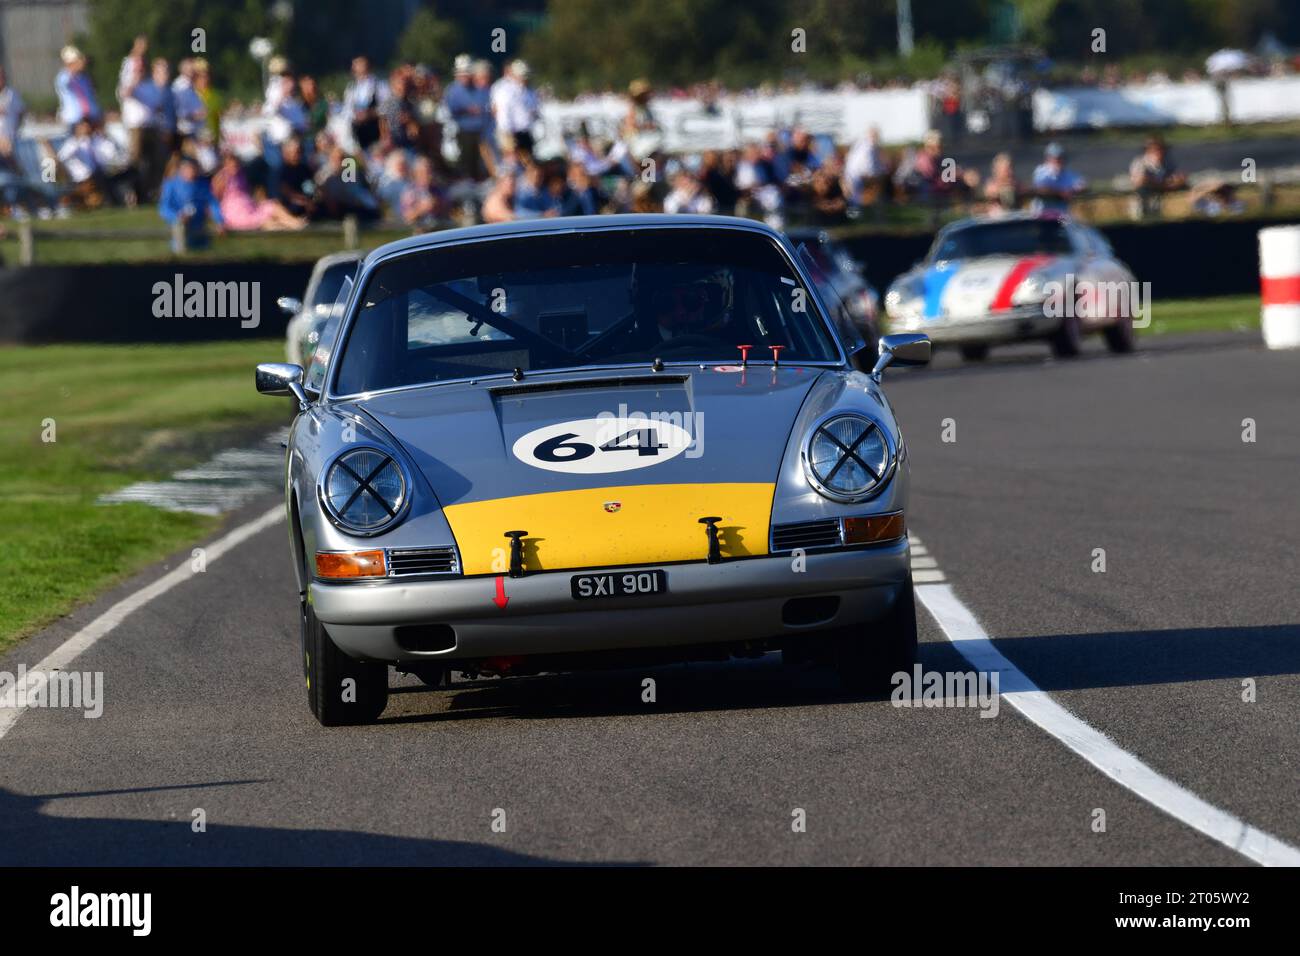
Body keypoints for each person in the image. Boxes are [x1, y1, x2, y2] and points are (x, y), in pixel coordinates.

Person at [212, 151, 306, 231]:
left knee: (272, 205)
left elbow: (246, 192)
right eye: (231, 164)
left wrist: (255, 201)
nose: (235, 166)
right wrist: (220, 221)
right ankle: (293, 226)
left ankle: (294, 222)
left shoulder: (241, 175)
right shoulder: (221, 177)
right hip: (236, 213)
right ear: (225, 164)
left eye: (236, 164)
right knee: (266, 221)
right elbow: (215, 199)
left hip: (250, 207)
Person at [159, 155, 222, 247]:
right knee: (181, 233)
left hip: (199, 223)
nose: (192, 172)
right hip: (180, 223)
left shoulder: (203, 184)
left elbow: (213, 203)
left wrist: (219, 220)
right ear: (181, 169)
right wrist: (177, 216)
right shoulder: (171, 184)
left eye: (194, 168)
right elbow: (164, 208)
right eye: (188, 168)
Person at [446, 55, 491, 180]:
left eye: (466, 73)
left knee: (479, 161)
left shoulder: (479, 88)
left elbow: (486, 106)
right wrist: (467, 110)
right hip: (463, 131)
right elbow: (451, 109)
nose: (464, 77)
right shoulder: (453, 90)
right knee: (466, 160)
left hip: (480, 131)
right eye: (462, 74)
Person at [1129, 135, 1187, 218]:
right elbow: (1139, 181)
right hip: (1146, 193)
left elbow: (1180, 176)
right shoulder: (1139, 161)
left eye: (1161, 148)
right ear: (1148, 150)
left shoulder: (1167, 161)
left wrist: (1175, 181)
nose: (1158, 151)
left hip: (1162, 190)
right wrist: (1164, 183)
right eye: (1154, 149)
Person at [491, 60, 539, 157]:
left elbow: (534, 109)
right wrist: (508, 136)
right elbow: (503, 113)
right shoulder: (505, 90)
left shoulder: (528, 90)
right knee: (513, 163)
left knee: (527, 161)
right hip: (511, 133)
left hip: (525, 131)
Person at [344, 56, 386, 152]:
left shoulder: (380, 85)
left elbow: (386, 107)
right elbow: (347, 111)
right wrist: (355, 115)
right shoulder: (351, 88)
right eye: (355, 65)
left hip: (375, 131)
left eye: (359, 64)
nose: (355, 67)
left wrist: (370, 113)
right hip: (358, 132)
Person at [55, 47, 101, 132]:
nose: (82, 63)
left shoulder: (84, 77)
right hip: (74, 120)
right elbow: (67, 84)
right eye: (78, 61)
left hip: (90, 118)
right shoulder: (64, 76)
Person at [1030, 142, 1084, 212]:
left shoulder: (1069, 174)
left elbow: (1081, 185)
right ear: (1047, 159)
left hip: (1061, 214)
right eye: (1054, 158)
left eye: (1060, 158)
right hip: (1042, 213)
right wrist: (1061, 193)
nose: (1057, 161)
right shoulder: (1040, 171)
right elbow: (1041, 188)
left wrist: (1073, 191)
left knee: (1067, 221)